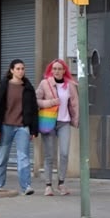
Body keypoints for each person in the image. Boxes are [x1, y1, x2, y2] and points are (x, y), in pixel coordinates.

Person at [0, 58, 39, 195]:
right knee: (2, 156)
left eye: (23, 68)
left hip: (23, 126)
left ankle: (26, 186)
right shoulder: (4, 86)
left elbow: (34, 110)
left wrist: (34, 129)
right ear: (11, 70)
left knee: (23, 157)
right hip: (5, 126)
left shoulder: (28, 88)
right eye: (18, 69)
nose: (21, 71)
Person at [36, 58, 80, 196]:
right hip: (49, 121)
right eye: (54, 69)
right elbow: (36, 100)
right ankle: (48, 185)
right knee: (49, 155)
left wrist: (75, 119)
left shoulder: (70, 85)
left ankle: (61, 182)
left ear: (64, 70)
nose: (57, 71)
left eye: (59, 69)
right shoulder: (45, 83)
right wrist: (50, 102)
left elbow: (74, 103)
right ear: (51, 70)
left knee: (64, 153)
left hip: (64, 122)